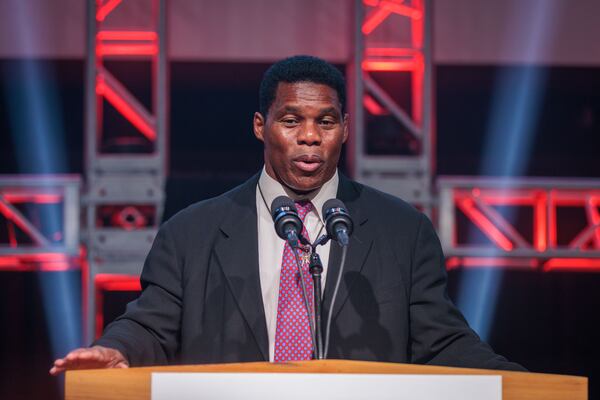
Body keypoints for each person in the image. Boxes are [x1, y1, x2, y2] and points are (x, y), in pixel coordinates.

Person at [50, 55, 524, 375]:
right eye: (291, 120)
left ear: (344, 129)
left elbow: (441, 342)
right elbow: (150, 325)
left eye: (326, 121)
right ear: (262, 126)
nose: (310, 137)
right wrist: (117, 350)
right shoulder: (191, 234)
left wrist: (520, 382)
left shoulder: (403, 232)